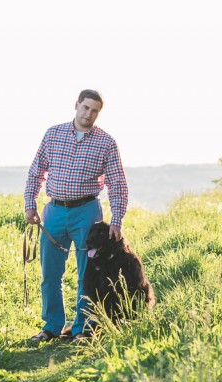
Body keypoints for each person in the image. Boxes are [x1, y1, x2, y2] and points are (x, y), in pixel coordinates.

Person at [24, 89, 129, 343]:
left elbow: (117, 183)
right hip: (54, 211)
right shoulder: (53, 134)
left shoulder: (106, 142)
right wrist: (30, 204)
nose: (89, 114)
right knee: (50, 273)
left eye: (94, 111)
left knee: (88, 274)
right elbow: (36, 170)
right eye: (86, 108)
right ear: (76, 105)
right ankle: (51, 326)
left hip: (87, 213)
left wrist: (117, 220)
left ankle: (82, 328)